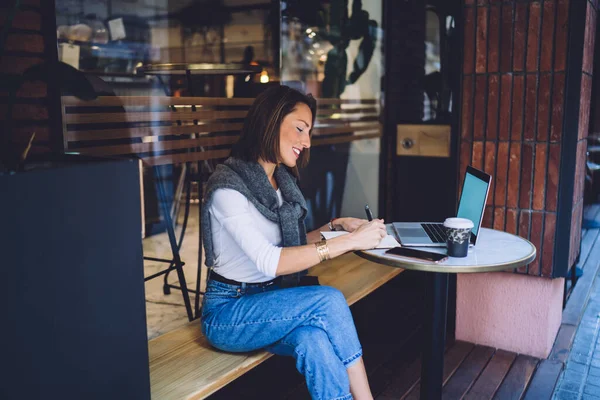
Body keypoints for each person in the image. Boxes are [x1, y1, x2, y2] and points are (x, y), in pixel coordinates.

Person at [200, 85, 387, 400]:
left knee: (313, 340)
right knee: (328, 300)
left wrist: (336, 226)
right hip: (228, 314)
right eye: (300, 129)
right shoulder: (227, 189)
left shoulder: (279, 183)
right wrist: (349, 243)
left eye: (309, 132)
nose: (307, 141)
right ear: (270, 123)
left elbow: (291, 245)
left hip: (270, 301)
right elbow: (270, 260)